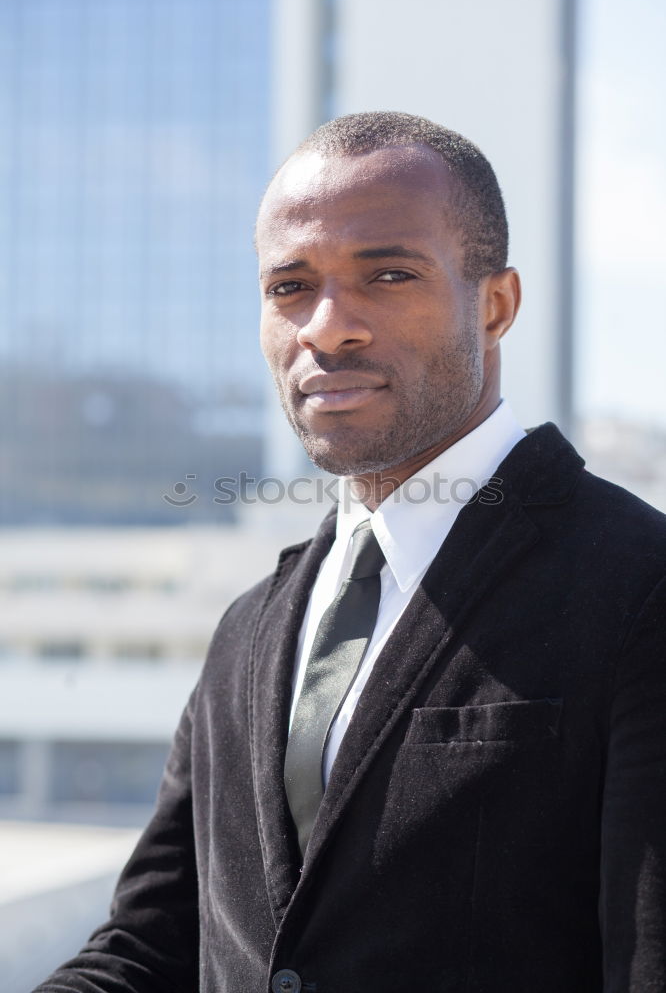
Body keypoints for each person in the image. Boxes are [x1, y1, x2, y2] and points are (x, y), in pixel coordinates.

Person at [34, 112, 666, 993]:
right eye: (290, 286)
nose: (327, 329)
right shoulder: (249, 630)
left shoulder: (639, 586)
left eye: (389, 274)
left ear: (496, 304)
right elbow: (151, 949)